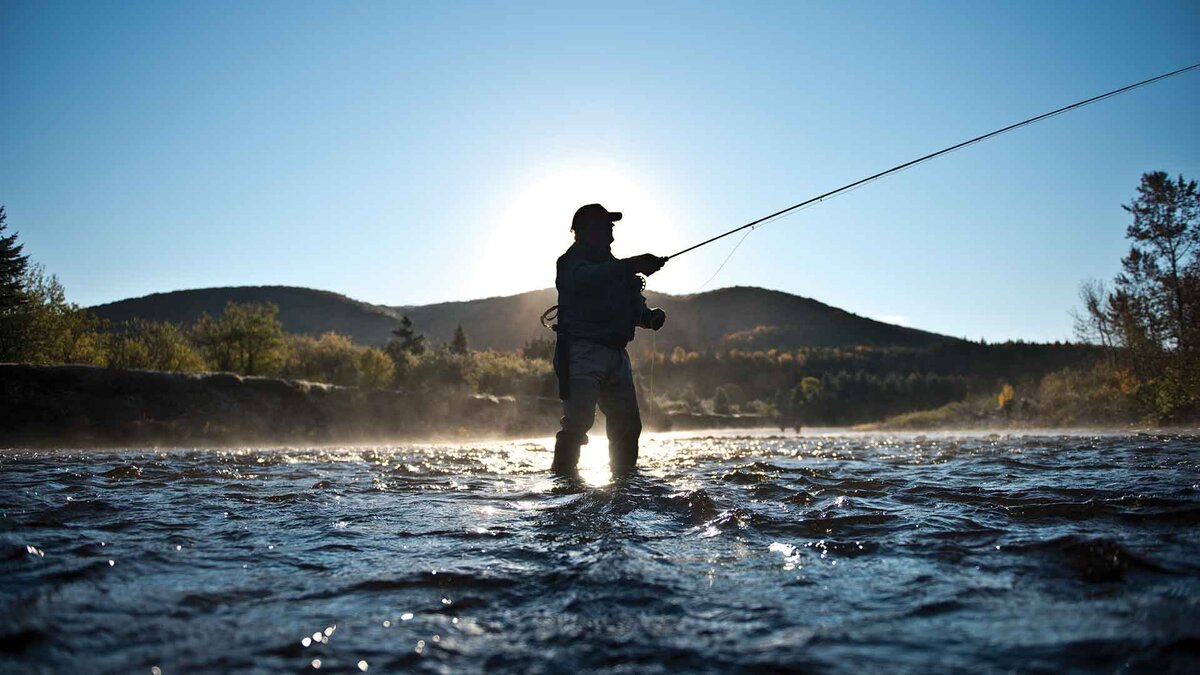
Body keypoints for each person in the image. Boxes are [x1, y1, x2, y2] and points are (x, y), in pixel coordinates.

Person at [551, 203, 667, 475]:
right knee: (578, 422)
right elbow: (585, 280)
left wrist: (648, 317)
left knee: (628, 425)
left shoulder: (615, 267)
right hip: (580, 352)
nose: (612, 235)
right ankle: (563, 485)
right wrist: (633, 265)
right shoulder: (570, 263)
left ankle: (624, 485)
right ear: (588, 230)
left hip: (617, 356)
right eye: (607, 227)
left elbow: (630, 306)